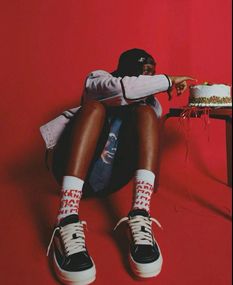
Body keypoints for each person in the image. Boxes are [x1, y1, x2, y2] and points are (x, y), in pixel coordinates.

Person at [42, 48, 195, 285]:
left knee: (147, 113)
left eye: (152, 75)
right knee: (94, 108)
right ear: (125, 72)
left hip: (110, 181)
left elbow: (148, 146)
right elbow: (123, 90)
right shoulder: (98, 80)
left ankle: (140, 213)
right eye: (144, 74)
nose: (148, 80)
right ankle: (66, 217)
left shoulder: (151, 106)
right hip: (69, 169)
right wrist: (166, 81)